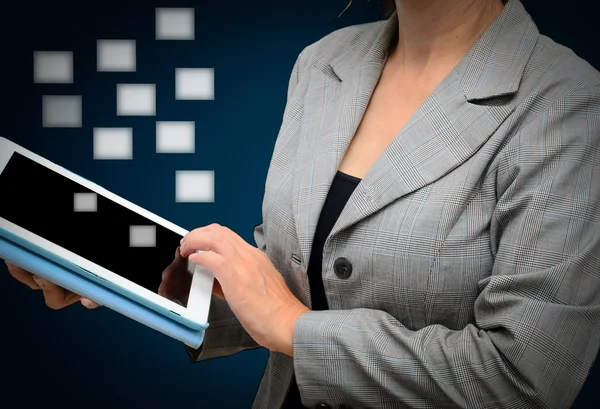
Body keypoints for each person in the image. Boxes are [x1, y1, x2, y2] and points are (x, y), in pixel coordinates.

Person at [5, 0, 600, 407]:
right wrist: (123, 282)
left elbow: (526, 380)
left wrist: (297, 329)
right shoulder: (323, 64)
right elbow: (286, 285)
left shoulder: (568, 104)